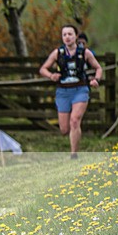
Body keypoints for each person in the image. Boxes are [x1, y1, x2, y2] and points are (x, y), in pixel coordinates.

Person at [39, 25, 103, 158]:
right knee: (64, 129)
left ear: (75, 36)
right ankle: (70, 139)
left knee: (75, 120)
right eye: (64, 35)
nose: (67, 37)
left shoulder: (85, 53)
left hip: (80, 89)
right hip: (63, 91)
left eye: (70, 34)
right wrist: (51, 76)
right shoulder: (58, 53)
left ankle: (74, 154)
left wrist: (96, 79)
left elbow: (98, 68)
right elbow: (43, 69)